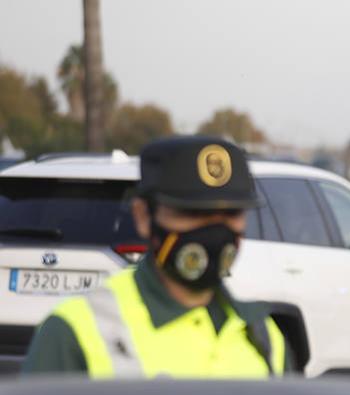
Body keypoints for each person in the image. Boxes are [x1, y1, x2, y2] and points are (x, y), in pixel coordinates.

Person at [22, 135, 288, 377]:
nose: (215, 232)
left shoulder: (264, 337)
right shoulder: (75, 331)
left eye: (232, 214)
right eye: (192, 213)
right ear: (142, 216)